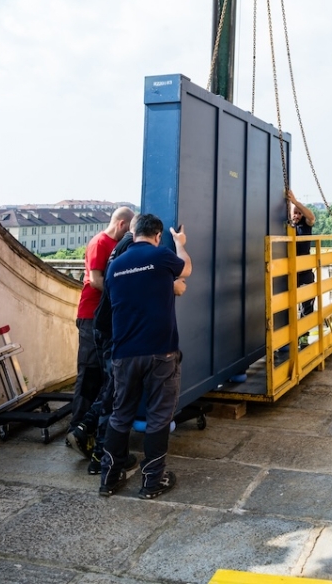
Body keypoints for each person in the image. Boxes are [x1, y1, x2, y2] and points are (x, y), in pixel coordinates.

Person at [99, 213, 191, 499]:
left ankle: (109, 479)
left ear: (134, 232)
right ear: (157, 235)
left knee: (120, 415)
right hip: (160, 352)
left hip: (124, 354)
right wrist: (180, 243)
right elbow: (186, 269)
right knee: (159, 417)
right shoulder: (162, 256)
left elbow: (124, 298)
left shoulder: (114, 267)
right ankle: (152, 481)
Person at [66, 206, 134, 444]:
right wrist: (122, 294)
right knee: (89, 371)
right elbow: (95, 281)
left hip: (103, 315)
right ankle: (77, 427)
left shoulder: (115, 246)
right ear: (122, 224)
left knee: (104, 374)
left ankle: (90, 426)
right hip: (90, 314)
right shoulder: (100, 243)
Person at [288, 189, 316, 349]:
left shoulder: (305, 226)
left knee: (307, 306)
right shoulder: (288, 227)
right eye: (295, 213)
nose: (297, 216)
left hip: (305, 273)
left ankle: (304, 337)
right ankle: (291, 338)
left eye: (299, 213)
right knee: (289, 306)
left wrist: (295, 202)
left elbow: (311, 217)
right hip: (290, 272)